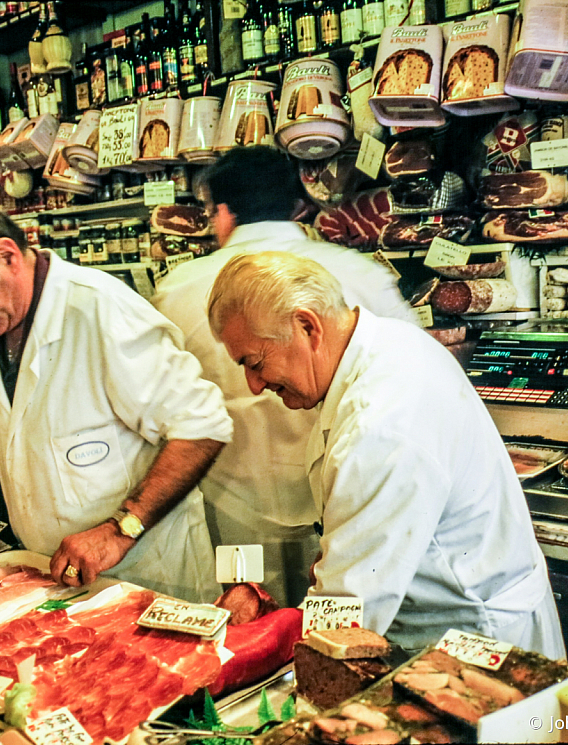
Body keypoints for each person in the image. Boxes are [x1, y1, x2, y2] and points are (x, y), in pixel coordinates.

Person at [207, 251, 566, 658]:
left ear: (307, 326)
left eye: (254, 363)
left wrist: (254, 645)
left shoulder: (379, 425)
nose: (253, 385)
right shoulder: (384, 344)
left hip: (471, 643)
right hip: (440, 620)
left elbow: (346, 622)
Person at [0, 199, 232, 603]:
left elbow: (203, 426)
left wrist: (120, 528)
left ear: (7, 256)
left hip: (145, 578)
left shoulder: (100, 310)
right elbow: (6, 427)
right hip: (51, 578)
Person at [152, 146, 416, 607]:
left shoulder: (178, 288)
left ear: (222, 212)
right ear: (295, 204)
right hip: (351, 507)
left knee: (252, 636)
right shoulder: (361, 272)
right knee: (344, 631)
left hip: (236, 513)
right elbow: (409, 379)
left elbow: (163, 405)